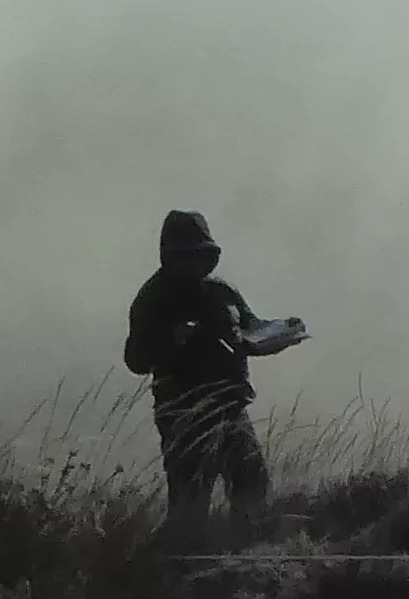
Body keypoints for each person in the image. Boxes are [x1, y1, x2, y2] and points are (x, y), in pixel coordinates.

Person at [122, 209, 306, 547]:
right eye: (186, 256)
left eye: (200, 255)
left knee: (251, 484)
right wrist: (171, 339)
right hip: (183, 413)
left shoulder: (221, 292)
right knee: (191, 500)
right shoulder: (153, 298)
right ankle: (165, 570)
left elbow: (251, 329)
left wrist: (283, 331)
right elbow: (134, 359)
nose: (194, 264)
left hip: (230, 405)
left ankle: (242, 561)